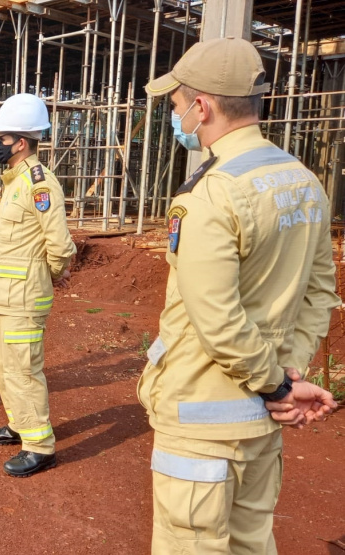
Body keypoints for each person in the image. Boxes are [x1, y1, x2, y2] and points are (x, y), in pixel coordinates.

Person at [139, 37, 339, 553]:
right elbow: (319, 293)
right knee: (252, 539)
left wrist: (276, 385)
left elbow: (217, 319)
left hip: (203, 419)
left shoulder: (210, 195)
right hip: (260, 423)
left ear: (202, 107)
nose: (177, 116)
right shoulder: (303, 182)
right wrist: (289, 372)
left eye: (177, 105)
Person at [0, 93, 77, 478]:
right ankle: (21, 424)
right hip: (7, 296)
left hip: (24, 296)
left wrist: (53, 273)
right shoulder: (16, 181)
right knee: (6, 368)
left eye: (1, 139)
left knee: (24, 370)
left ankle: (40, 446)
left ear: (21, 142)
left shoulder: (39, 184)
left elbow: (60, 244)